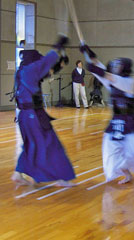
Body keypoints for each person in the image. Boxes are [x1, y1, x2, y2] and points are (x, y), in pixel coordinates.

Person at [80, 44, 134, 184]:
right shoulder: (114, 81)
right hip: (116, 120)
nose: (115, 67)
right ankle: (127, 174)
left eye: (118, 65)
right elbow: (102, 72)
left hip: (129, 120)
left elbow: (105, 75)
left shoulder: (128, 82)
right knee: (111, 149)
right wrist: (90, 55)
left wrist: (94, 68)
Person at [11, 35, 76, 187]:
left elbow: (47, 72)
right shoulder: (31, 70)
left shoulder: (22, 71)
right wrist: (57, 47)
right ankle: (61, 177)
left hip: (24, 116)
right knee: (51, 144)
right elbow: (46, 62)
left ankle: (17, 173)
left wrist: (61, 63)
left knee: (30, 144)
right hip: (34, 115)